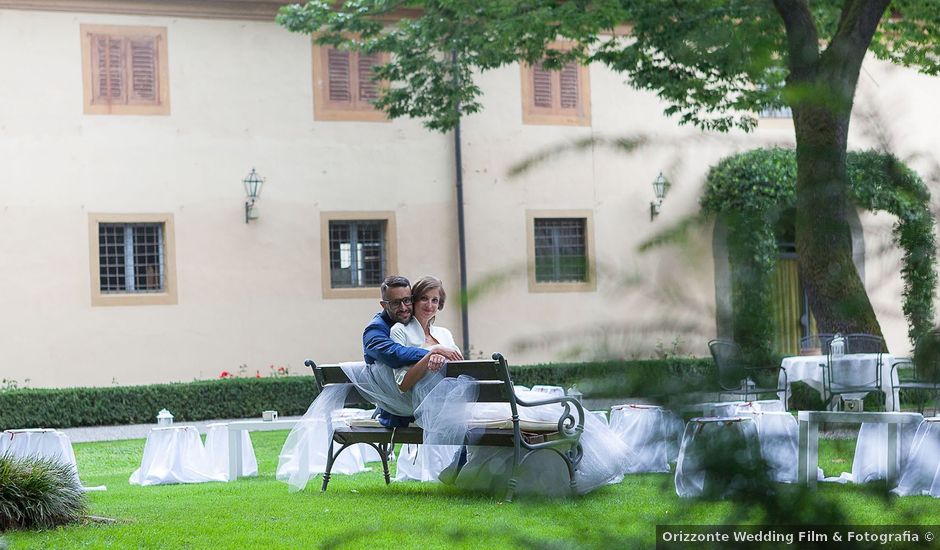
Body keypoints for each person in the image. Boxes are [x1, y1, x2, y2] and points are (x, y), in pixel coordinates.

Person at [362, 275, 462, 427]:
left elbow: (460, 365)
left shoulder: (442, 333)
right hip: (400, 408)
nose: (403, 307)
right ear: (384, 305)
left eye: (406, 300)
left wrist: (438, 353)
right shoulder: (377, 329)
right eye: (396, 303)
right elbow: (395, 355)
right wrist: (434, 352)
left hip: (443, 405)